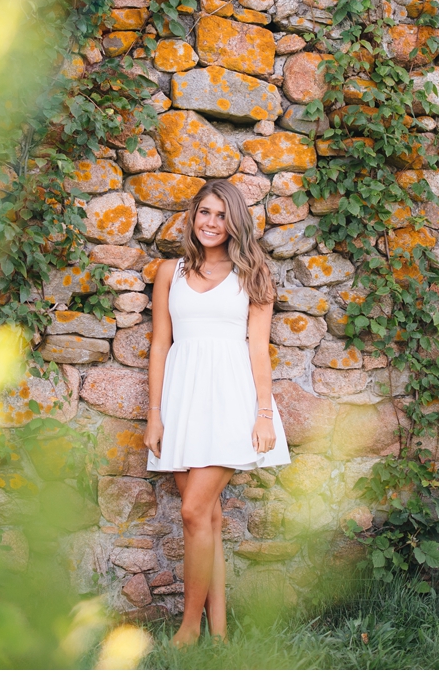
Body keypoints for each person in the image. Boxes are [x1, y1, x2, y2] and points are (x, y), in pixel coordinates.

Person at [142, 178, 290, 646]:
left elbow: (259, 352)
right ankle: (220, 634)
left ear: (234, 222)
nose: (211, 222)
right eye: (204, 212)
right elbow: (160, 344)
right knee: (206, 518)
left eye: (221, 215)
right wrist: (154, 413)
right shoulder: (171, 272)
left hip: (230, 399)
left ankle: (188, 629)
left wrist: (263, 414)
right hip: (183, 401)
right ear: (193, 217)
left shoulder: (253, 273)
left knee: (192, 509)